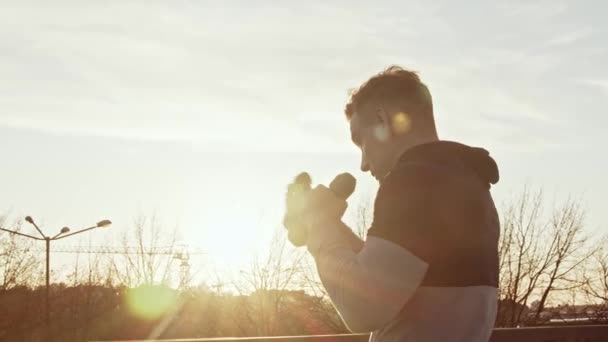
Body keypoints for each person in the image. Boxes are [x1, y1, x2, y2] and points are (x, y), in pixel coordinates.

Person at [284, 66, 500, 342]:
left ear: (381, 120)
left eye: (360, 140)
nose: (363, 164)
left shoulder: (413, 180)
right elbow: (390, 274)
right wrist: (331, 227)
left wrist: (319, 225)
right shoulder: (464, 179)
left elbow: (362, 308)